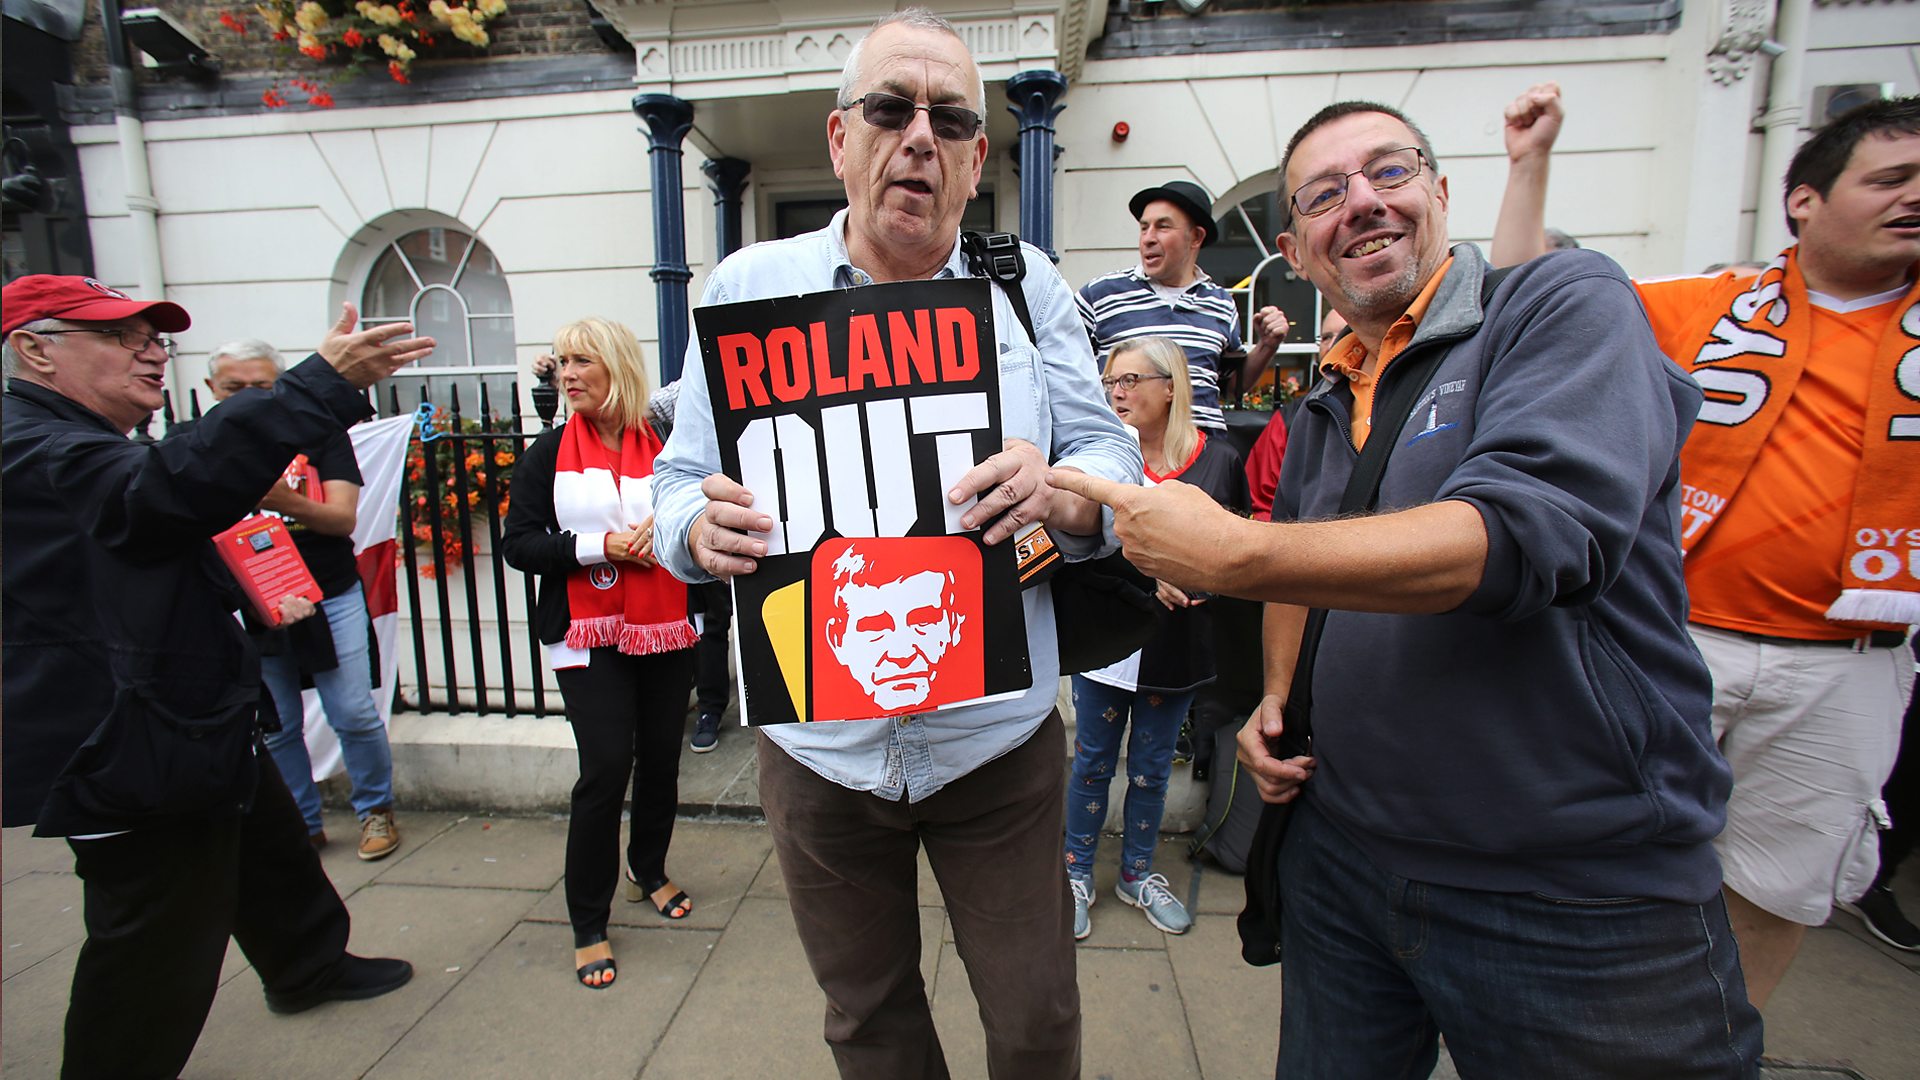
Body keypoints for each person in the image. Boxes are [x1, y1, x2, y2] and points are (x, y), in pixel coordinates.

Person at [1051, 100, 1764, 1076]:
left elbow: (1529, 534)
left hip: (1572, 899)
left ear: (1438, 191)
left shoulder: (1560, 304)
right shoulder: (1323, 400)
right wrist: (1275, 702)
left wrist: (1235, 557)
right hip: (1343, 864)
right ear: (1297, 252)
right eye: (1324, 194)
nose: (1363, 202)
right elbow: (1308, 563)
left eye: (1390, 172)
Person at [650, 10, 1140, 1077]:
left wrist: (1062, 491)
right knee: (867, 1021)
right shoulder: (741, 292)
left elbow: (1113, 453)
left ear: (974, 160)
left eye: (951, 119)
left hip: (995, 745)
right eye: (890, 109)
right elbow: (674, 483)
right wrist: (695, 528)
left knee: (1037, 1022)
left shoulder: (1026, 287)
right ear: (840, 139)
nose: (919, 136)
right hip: (821, 755)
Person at [1495, 86, 1920, 1007]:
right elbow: (1534, 307)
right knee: (1593, 862)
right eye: (1892, 178)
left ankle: (1723, 1044)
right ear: (1803, 198)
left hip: (1847, 668)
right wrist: (1529, 167)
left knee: (1777, 885)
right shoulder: (1704, 309)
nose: (1913, 197)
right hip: (1672, 643)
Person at [2, 276, 429, 1080]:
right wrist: (312, 389)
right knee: (156, 942)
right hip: (126, 743)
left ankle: (307, 966)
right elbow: (154, 498)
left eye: (153, 338)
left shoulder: (85, 435)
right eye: (121, 336)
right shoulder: (33, 444)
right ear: (35, 348)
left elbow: (143, 553)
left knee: (272, 853)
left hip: (187, 717)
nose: (149, 352)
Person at [502, 316, 701, 990]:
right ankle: (588, 919)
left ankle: (648, 869)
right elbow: (519, 543)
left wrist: (671, 523)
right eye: (562, 362)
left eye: (582, 360)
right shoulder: (548, 452)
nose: (567, 374)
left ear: (616, 365)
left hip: (667, 623)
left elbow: (699, 506)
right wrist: (598, 548)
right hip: (586, 632)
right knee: (607, 766)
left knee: (662, 758)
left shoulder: (668, 444)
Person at [1066, 336, 1247, 941]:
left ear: (1171, 386)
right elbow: (1064, 554)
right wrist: (1141, 573)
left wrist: (1194, 575)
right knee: (1091, 763)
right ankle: (1075, 873)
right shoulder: (1093, 461)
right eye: (1110, 382)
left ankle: (1138, 874)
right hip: (1105, 645)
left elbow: (1238, 554)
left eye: (1131, 380)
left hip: (1176, 649)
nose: (1117, 393)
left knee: (1149, 771)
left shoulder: (1217, 461)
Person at [201, 339, 401, 860]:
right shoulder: (194, 446)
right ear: (210, 391)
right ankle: (300, 823)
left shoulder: (319, 436)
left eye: (261, 388)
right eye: (233, 388)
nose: (245, 399)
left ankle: (376, 810)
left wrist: (283, 500)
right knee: (278, 722)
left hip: (328, 591)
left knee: (353, 711)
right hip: (249, 605)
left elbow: (341, 519)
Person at [1078, 179, 1290, 431]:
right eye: (1144, 228)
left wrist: (1267, 344)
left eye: (1163, 227)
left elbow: (1231, 387)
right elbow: (1065, 372)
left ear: (1196, 237)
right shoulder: (1100, 294)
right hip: (1125, 454)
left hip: (1203, 455)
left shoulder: (1221, 303)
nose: (1148, 238)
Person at [816, 538, 978, 717]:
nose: (903, 655)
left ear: (954, 625)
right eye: (876, 627)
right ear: (837, 640)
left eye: (923, 621)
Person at [1245, 307, 1344, 520]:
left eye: (1346, 333)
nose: (1333, 344)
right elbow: (1261, 502)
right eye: (1326, 337)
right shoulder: (1290, 419)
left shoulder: (1393, 405)